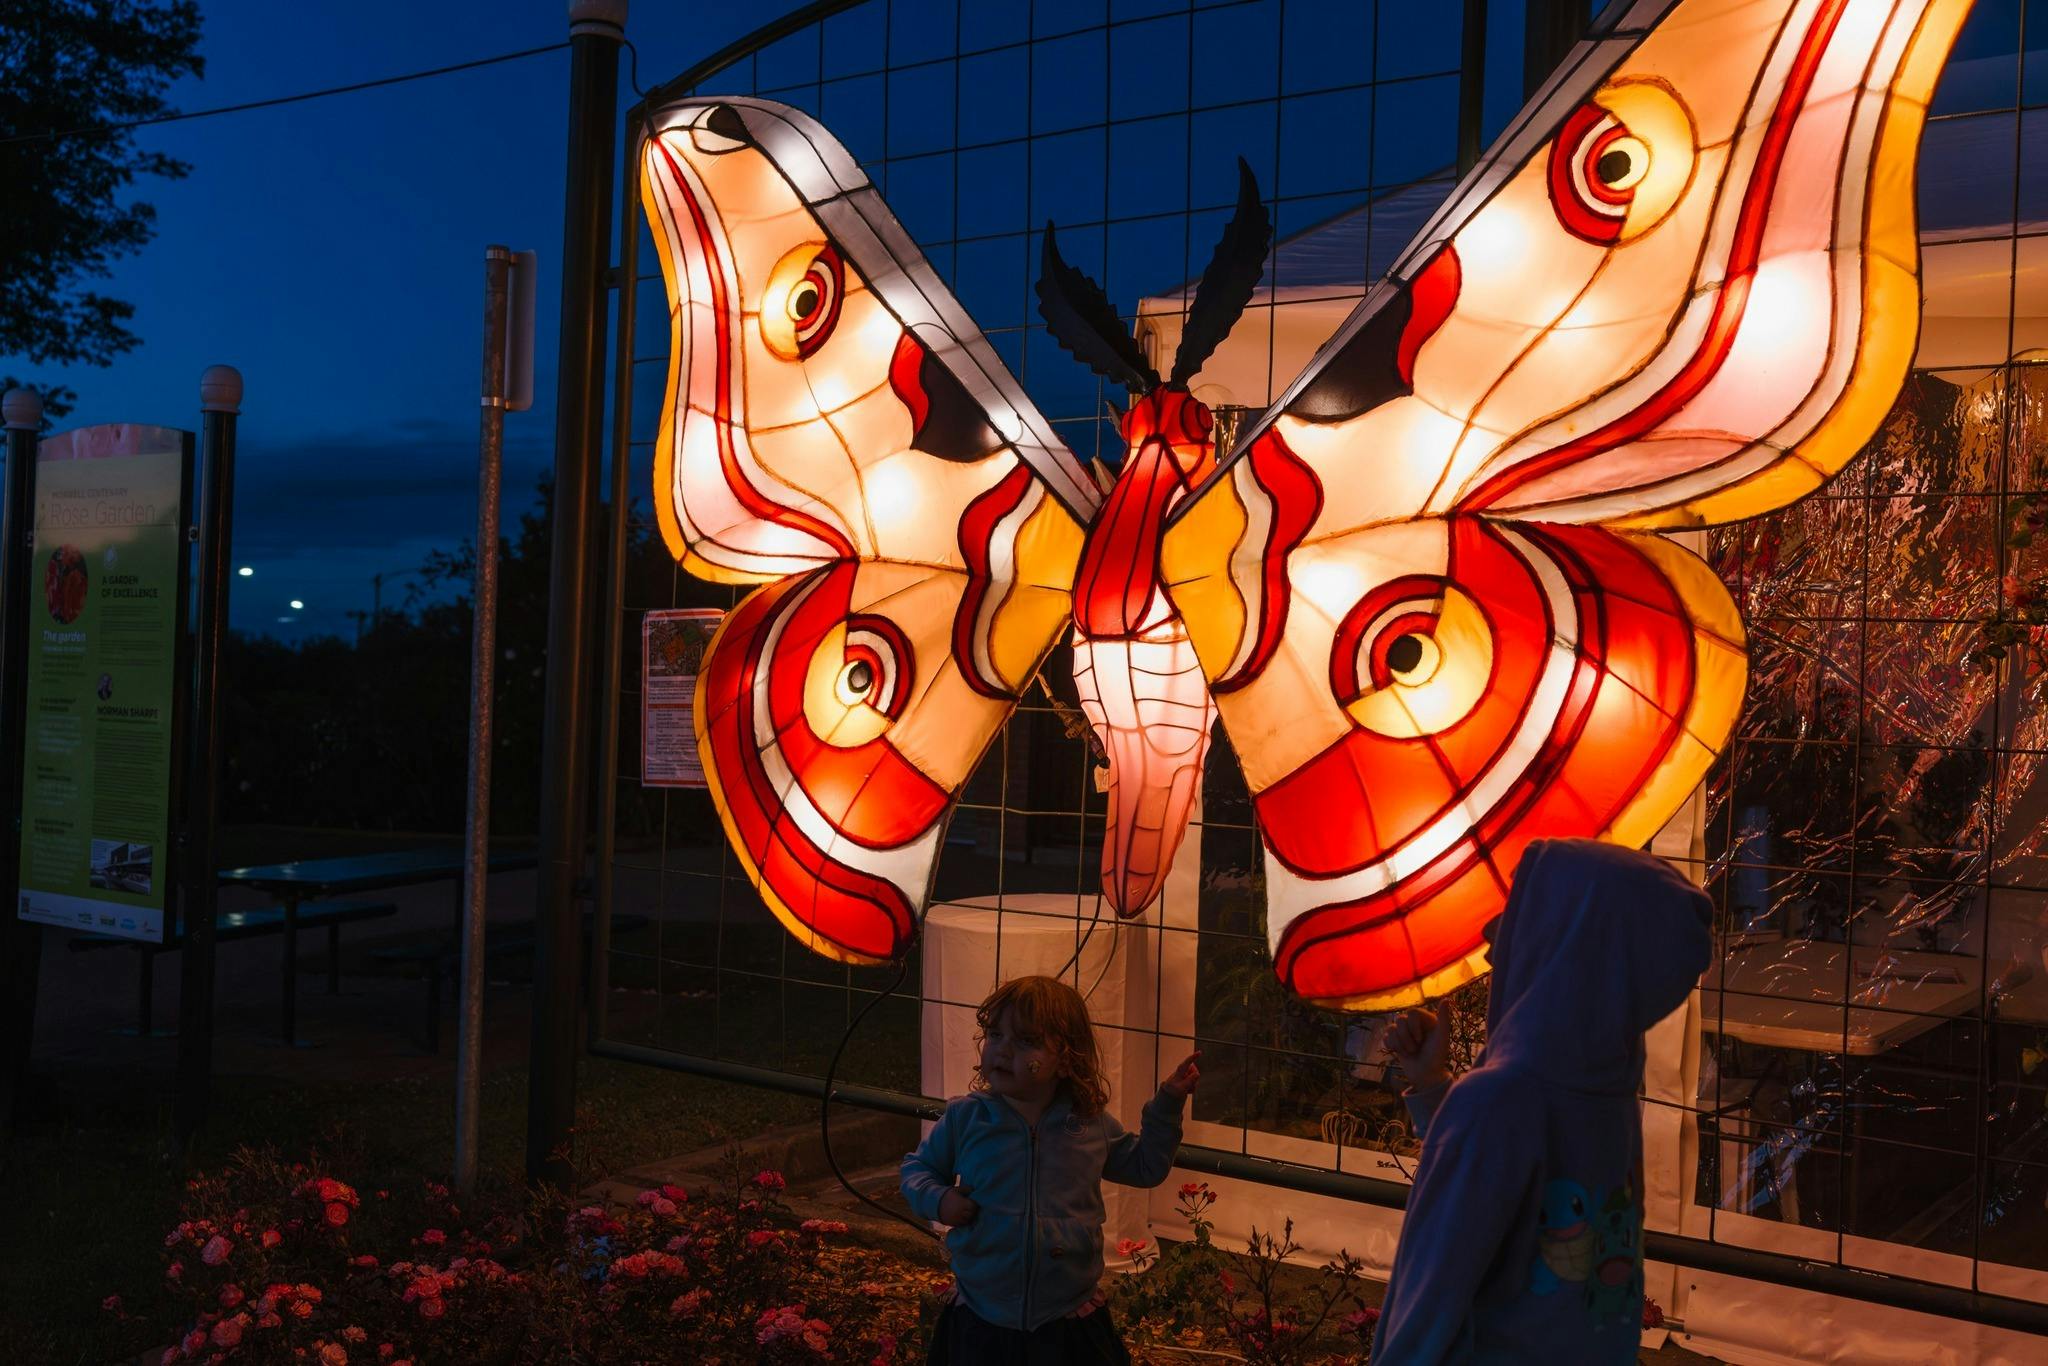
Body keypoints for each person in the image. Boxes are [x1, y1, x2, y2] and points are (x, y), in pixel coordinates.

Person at [1374, 839, 1713, 1365]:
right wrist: (1437, 1087)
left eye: (1519, 910)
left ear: (1565, 942)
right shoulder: (1606, 1096)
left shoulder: (1494, 1103)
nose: (1491, 935)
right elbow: (1524, 1197)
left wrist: (1458, 1102)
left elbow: (1428, 1303)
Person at [901, 974, 1201, 1365]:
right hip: (982, 1315)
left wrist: (1168, 1104)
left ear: (1066, 1060)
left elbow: (1145, 1167)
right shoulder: (966, 1118)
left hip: (1068, 1319)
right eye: (995, 1035)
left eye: (1026, 1041)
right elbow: (918, 1170)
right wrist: (940, 1200)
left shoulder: (1088, 1124)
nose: (1003, 1050)